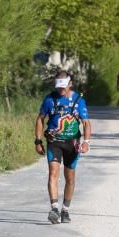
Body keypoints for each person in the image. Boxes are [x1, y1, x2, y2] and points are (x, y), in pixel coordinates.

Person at [35, 70, 91, 224]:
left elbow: (86, 123)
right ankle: (54, 208)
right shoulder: (49, 99)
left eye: (64, 87)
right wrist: (38, 141)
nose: (61, 90)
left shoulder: (78, 101)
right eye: (58, 87)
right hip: (54, 142)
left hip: (72, 144)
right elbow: (40, 119)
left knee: (70, 177)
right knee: (53, 173)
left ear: (70, 84)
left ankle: (65, 210)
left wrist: (86, 142)